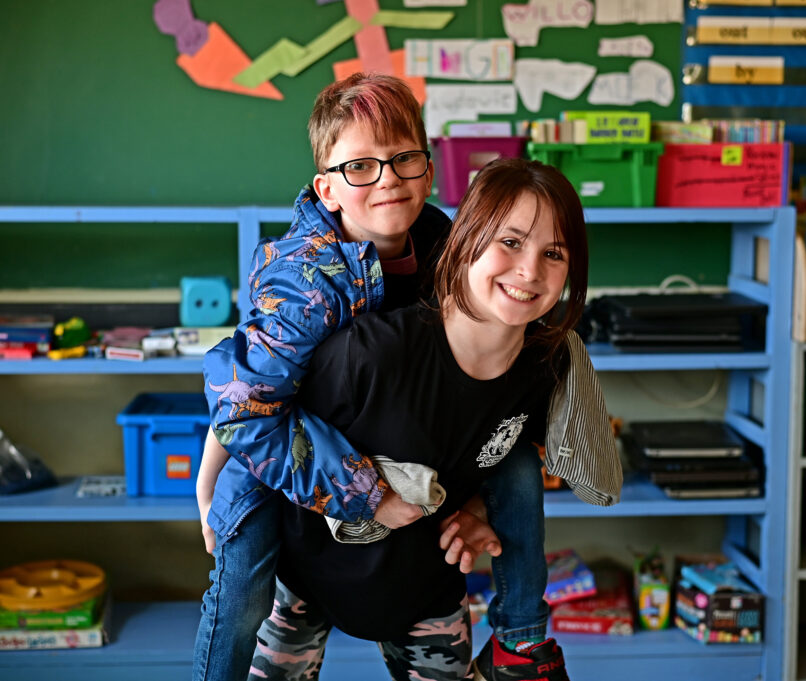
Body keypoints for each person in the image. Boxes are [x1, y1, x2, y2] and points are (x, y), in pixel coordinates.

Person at [194, 72, 568, 681]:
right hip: (285, 464)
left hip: (410, 503)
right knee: (241, 595)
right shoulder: (305, 277)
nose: (388, 177)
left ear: (428, 166)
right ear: (327, 189)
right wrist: (209, 489)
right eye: (360, 166)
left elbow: (493, 400)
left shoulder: (450, 247)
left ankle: (521, 643)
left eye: (403, 159)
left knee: (520, 464)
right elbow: (244, 405)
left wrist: (476, 500)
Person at [250, 157, 588, 680]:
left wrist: (480, 508)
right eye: (511, 242)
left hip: (428, 589)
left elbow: (510, 452)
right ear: (467, 240)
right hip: (302, 582)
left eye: (554, 253)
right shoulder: (370, 354)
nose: (530, 271)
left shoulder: (545, 365)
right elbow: (262, 419)